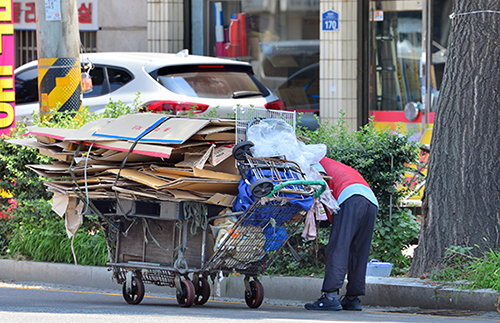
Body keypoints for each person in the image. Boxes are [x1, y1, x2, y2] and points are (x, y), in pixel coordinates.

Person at [305, 157, 378, 311]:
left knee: (339, 247)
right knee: (359, 251)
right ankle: (353, 298)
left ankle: (330, 297)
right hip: (370, 200)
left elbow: (319, 184)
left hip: (349, 197)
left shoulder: (312, 159)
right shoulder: (334, 164)